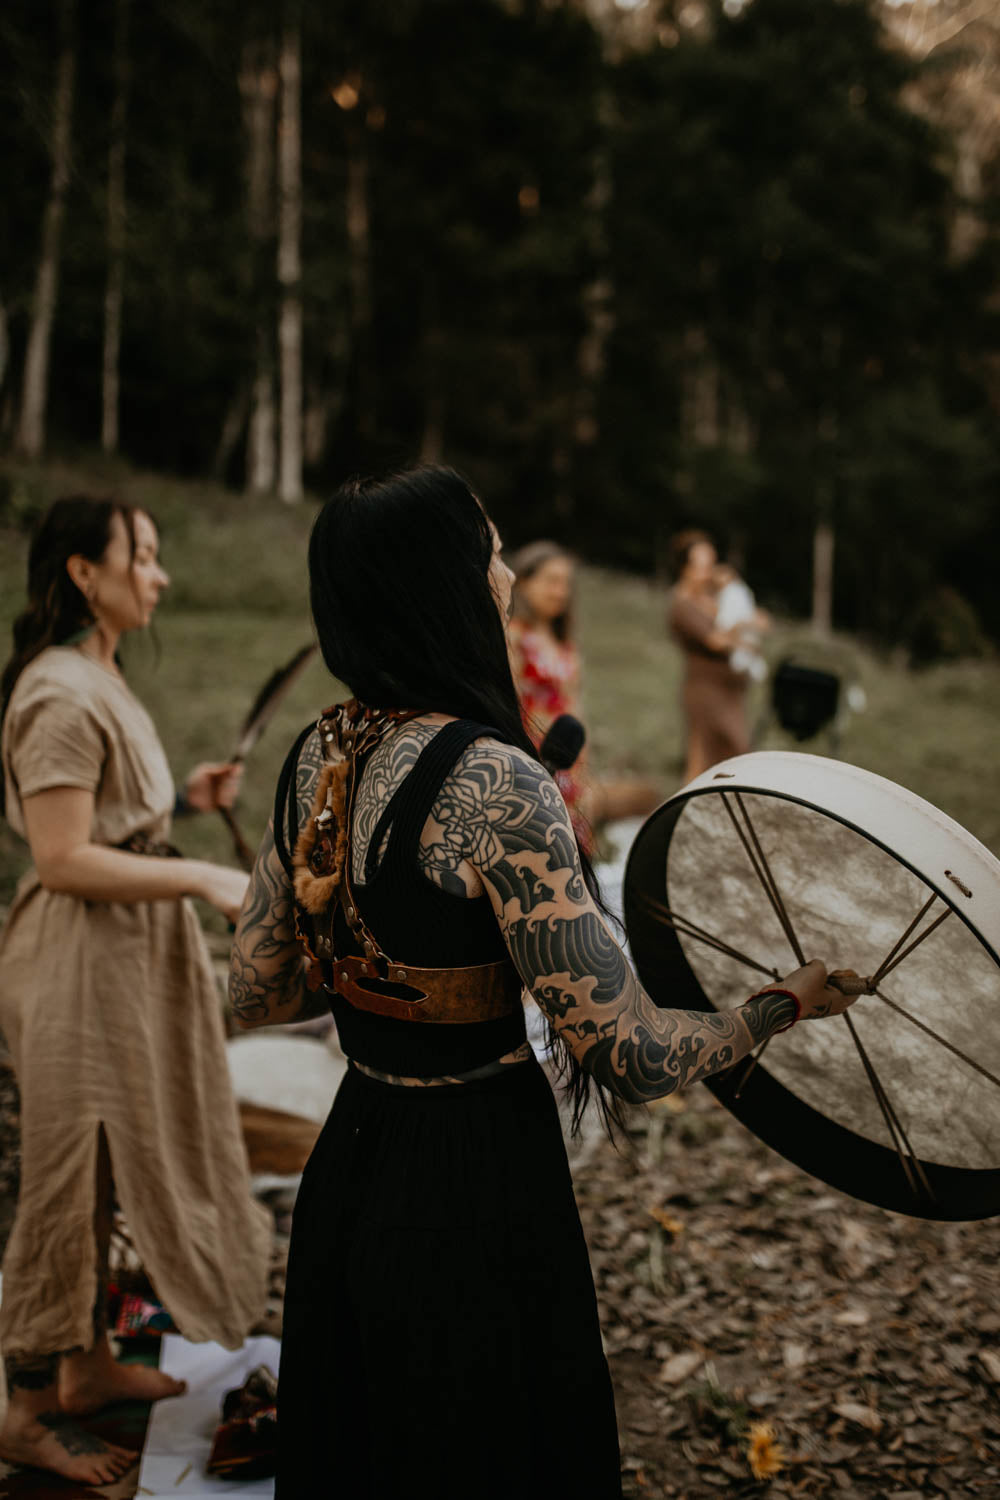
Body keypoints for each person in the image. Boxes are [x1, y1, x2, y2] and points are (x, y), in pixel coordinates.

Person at [230, 466, 857, 1499]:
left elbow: (255, 992)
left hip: (355, 1153)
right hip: (476, 1169)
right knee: (485, 1443)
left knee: (372, 1441)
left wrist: (361, 960)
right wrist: (780, 1003)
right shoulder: (495, 783)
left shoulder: (315, 757)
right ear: (441, 585)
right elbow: (633, 1055)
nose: (508, 572)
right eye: (488, 550)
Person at [0, 496, 272, 1486]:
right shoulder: (57, 692)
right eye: (143, 556)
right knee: (71, 1171)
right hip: (76, 964)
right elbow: (65, 857)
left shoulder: (98, 677)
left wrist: (185, 804)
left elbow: (111, 820)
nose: (159, 575)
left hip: (126, 963)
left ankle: (84, 1368)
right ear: (84, 571)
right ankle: (26, 1407)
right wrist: (204, 876)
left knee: (116, 1162)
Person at [508, 540, 659, 853]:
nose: (560, 591)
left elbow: (574, 703)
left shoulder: (563, 643)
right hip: (533, 756)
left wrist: (583, 763)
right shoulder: (515, 637)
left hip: (570, 757)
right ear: (524, 582)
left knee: (574, 844)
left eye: (565, 583)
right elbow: (510, 701)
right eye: (551, 581)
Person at [667, 529, 766, 783]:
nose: (709, 571)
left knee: (730, 761)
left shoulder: (714, 597)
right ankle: (685, 816)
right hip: (706, 694)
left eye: (711, 563)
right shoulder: (681, 604)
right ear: (686, 567)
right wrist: (745, 626)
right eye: (702, 565)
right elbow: (716, 641)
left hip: (730, 693)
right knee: (707, 764)